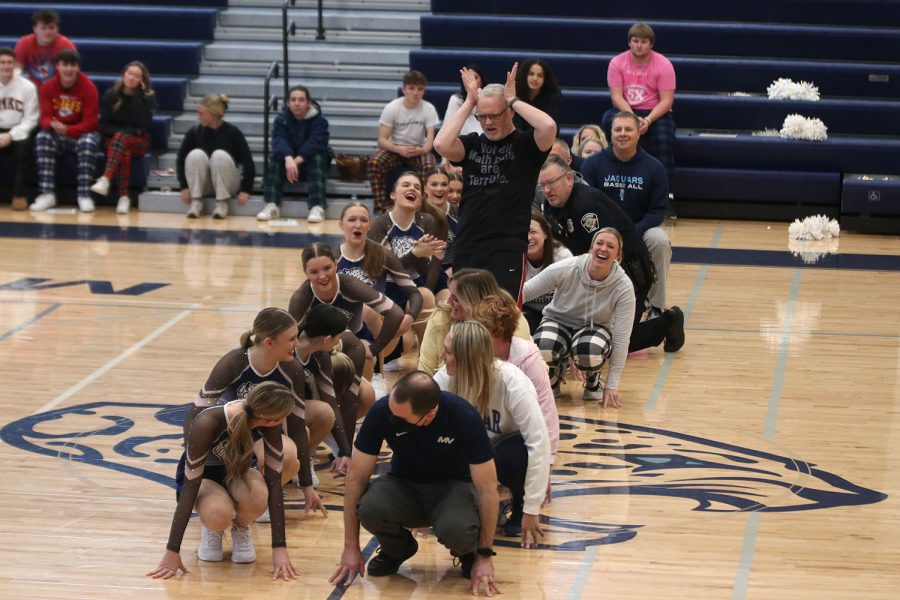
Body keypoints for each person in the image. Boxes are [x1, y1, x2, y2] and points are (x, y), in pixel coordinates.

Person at [329, 371, 502, 596]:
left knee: (457, 530)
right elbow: (356, 479)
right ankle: (397, 550)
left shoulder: (464, 417)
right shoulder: (383, 411)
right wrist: (350, 547)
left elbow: (488, 489)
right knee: (370, 508)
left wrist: (485, 555)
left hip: (452, 488)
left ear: (428, 416)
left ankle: (468, 553)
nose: (392, 419)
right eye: (391, 410)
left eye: (400, 418)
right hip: (404, 485)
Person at [179, 307, 333, 509]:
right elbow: (197, 413)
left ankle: (260, 503)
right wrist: (194, 454)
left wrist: (306, 485)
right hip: (230, 436)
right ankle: (227, 496)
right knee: (217, 500)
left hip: (263, 433)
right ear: (269, 342)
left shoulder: (292, 368)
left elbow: (295, 426)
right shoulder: (234, 362)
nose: (297, 344)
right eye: (291, 339)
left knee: (288, 455)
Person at [147, 382, 302, 580]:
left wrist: (279, 548)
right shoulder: (209, 422)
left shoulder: (269, 425)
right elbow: (190, 488)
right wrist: (172, 550)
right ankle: (212, 528)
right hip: (203, 479)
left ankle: (241, 527)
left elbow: (274, 483)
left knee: (259, 494)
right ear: (272, 419)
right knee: (219, 513)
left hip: (237, 473)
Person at [434, 63, 555, 301]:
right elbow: (441, 145)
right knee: (466, 320)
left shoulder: (527, 145)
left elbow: (548, 126)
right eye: (482, 117)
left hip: (506, 249)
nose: (487, 122)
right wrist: (470, 101)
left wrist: (513, 99)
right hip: (468, 244)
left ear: (510, 113)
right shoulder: (473, 144)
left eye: (494, 115)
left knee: (500, 320)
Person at [539, 156, 685, 353]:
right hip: (594, 275)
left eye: (551, 183)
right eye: (542, 185)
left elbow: (603, 258)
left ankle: (667, 322)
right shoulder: (551, 206)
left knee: (617, 343)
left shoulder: (585, 206)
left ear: (568, 178)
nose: (547, 190)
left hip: (629, 274)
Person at [434, 320, 551, 545]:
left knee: (516, 453)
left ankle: (516, 504)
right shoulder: (442, 379)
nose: (441, 356)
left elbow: (539, 443)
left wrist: (532, 508)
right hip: (466, 457)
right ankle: (479, 502)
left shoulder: (513, 381)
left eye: (447, 352)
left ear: (467, 358)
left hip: (504, 454)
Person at [289, 243, 405, 451]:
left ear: (336, 264)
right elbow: (289, 345)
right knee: (322, 401)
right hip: (313, 356)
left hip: (348, 347)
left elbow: (395, 312)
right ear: (305, 273)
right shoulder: (301, 298)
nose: (322, 276)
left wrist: (376, 348)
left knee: (365, 393)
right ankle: (319, 432)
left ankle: (339, 436)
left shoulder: (349, 285)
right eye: (314, 272)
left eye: (327, 268)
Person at [523, 228, 636, 408]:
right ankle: (554, 373)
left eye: (610, 246)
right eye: (599, 243)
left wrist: (612, 385)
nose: (603, 249)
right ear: (591, 248)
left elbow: (622, 338)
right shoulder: (569, 267)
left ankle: (594, 378)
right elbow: (524, 292)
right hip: (557, 321)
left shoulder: (623, 286)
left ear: (618, 255)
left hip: (595, 328)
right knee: (542, 347)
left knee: (589, 352)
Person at [469, 296, 561, 504]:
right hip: (481, 431)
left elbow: (547, 412)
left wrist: (546, 468)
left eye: (479, 328)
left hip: (512, 437)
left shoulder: (528, 359)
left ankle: (519, 502)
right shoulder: (470, 353)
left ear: (495, 332)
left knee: (512, 456)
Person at [582, 111, 672, 317]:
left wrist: (632, 232)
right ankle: (586, 300)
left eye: (628, 129)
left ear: (638, 133)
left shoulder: (654, 167)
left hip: (639, 230)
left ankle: (656, 307)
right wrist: (606, 234)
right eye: (618, 129)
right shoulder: (593, 164)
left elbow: (658, 210)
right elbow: (585, 204)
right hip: (600, 231)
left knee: (659, 240)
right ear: (610, 133)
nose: (623, 134)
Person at [336, 201, 423, 367]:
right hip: (343, 332)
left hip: (384, 338)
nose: (358, 225)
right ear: (341, 225)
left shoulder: (382, 255)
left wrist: (409, 317)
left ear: (370, 225)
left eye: (363, 220)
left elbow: (415, 293)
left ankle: (378, 371)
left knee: (367, 309)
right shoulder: (332, 258)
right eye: (352, 219)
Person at [603, 22, 676, 212]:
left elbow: (667, 101)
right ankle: (609, 187)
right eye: (635, 41)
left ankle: (667, 197)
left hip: (655, 112)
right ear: (629, 42)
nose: (639, 45)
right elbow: (616, 97)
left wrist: (649, 119)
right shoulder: (617, 63)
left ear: (651, 44)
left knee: (663, 139)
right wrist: (631, 119)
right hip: (626, 109)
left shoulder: (664, 64)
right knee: (608, 121)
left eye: (644, 42)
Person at [418, 268, 531, 376]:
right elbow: (425, 371)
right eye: (450, 296)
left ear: (475, 301)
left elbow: (518, 369)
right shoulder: (441, 317)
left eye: (456, 299)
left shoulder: (509, 320)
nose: (448, 302)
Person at [30, 50, 100, 213]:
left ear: (78, 68)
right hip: (58, 133)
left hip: (81, 134)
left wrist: (69, 129)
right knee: (42, 137)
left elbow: (90, 123)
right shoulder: (47, 87)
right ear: (57, 67)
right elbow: (45, 119)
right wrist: (53, 126)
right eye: (64, 65)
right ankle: (47, 194)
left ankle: (83, 195)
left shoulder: (88, 87)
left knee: (88, 141)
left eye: (72, 65)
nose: (68, 69)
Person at [369, 172, 448, 304]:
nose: (412, 188)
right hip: (386, 284)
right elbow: (385, 269)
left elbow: (424, 270)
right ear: (393, 195)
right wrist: (415, 253)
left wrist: (429, 255)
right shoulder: (379, 224)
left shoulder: (427, 221)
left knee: (438, 298)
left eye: (417, 187)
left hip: (417, 282)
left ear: (421, 198)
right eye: (406, 185)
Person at [367, 70, 439, 213]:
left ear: (423, 91)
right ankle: (381, 209)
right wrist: (398, 149)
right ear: (404, 90)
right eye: (411, 88)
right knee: (374, 163)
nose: (415, 93)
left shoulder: (429, 109)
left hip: (418, 150)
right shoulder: (392, 108)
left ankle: (422, 210)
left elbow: (430, 143)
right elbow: (382, 140)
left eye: (419, 89)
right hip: (396, 149)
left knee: (429, 166)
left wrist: (422, 150)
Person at [90, 61, 156, 215]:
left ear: (142, 80)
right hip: (113, 140)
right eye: (130, 73)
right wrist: (123, 133)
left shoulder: (147, 98)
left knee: (123, 140)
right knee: (123, 150)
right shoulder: (111, 95)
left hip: (138, 142)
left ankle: (106, 178)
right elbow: (103, 126)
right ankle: (123, 197)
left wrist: (139, 97)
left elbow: (142, 126)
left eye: (137, 76)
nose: (132, 78)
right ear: (123, 74)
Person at [258, 85, 330, 223]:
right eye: (293, 99)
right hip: (288, 166)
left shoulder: (320, 121)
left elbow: (315, 143)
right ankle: (271, 205)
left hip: (309, 164)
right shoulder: (281, 120)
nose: (297, 103)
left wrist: (295, 161)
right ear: (288, 103)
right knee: (275, 157)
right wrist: (288, 158)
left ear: (308, 103)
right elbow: (278, 141)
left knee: (318, 156)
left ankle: (317, 206)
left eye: (301, 99)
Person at [176, 94, 254, 219]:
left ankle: (222, 204)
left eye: (202, 114)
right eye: (198, 113)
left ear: (214, 114)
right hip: (205, 184)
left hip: (228, 184)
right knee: (196, 154)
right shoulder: (194, 132)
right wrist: (184, 186)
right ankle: (196, 203)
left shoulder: (233, 132)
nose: (198, 117)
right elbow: (181, 160)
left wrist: (245, 190)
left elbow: (248, 162)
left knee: (219, 155)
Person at [0, 46, 38, 211]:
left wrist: (10, 135)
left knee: (24, 149)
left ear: (15, 65)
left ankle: (19, 195)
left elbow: (31, 119)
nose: (6, 66)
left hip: (18, 131)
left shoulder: (27, 87)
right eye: (2, 62)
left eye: (9, 62)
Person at [522, 211, 572, 332]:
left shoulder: (562, 257)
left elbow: (573, 298)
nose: (528, 237)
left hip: (559, 314)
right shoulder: (513, 258)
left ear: (545, 234)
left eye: (533, 232)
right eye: (524, 232)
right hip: (529, 312)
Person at [14, 9, 76, 89]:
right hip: (33, 91)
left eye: (51, 28)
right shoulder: (24, 43)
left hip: (58, 91)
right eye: (43, 28)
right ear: (35, 29)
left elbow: (73, 73)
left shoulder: (66, 45)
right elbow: (16, 70)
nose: (47, 32)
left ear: (57, 29)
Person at [514, 58, 561, 133]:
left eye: (540, 75)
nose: (535, 78)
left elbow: (552, 124)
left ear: (545, 79)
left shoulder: (552, 97)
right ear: (525, 75)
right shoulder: (516, 94)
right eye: (531, 74)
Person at [442, 63, 484, 137]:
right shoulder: (456, 99)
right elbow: (446, 132)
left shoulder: (490, 98)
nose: (471, 82)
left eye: (475, 77)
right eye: (467, 79)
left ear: (481, 80)